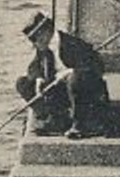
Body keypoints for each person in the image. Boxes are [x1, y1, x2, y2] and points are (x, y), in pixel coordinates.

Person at [15, 11, 109, 139]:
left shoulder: (72, 43)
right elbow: (34, 67)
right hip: (62, 91)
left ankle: (80, 124)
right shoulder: (43, 48)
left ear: (46, 31)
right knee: (22, 83)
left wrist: (70, 72)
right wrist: (38, 78)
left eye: (35, 38)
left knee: (74, 79)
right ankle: (54, 120)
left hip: (85, 92)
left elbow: (97, 67)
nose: (34, 44)